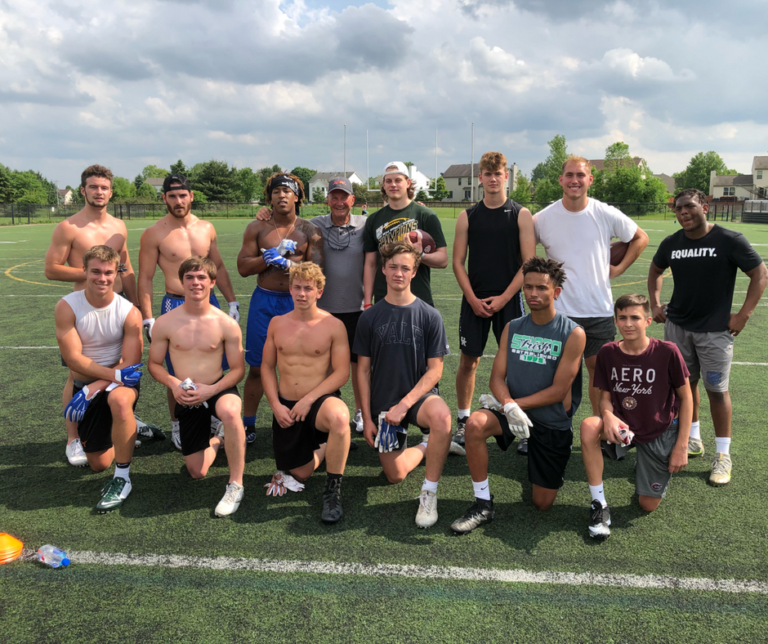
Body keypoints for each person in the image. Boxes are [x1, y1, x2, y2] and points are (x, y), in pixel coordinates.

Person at [450, 257, 585, 535]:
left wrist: (511, 404)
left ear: (556, 292)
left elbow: (560, 391)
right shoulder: (512, 327)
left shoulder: (573, 333)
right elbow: (497, 377)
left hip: (550, 421)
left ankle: (536, 457)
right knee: (474, 424)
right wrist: (509, 406)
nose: (533, 294)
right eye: (528, 288)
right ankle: (483, 503)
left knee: (542, 503)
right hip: (511, 411)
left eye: (541, 288)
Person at [648, 188, 767, 486]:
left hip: (715, 331)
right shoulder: (672, 242)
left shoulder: (729, 240)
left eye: (689, 206)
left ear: (705, 205)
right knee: (685, 387)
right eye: (678, 209)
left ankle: (723, 454)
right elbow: (655, 269)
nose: (684, 212)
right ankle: (693, 439)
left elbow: (760, 274)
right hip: (677, 327)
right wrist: (654, 302)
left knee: (717, 391)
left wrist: (743, 315)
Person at [44, 164, 157, 468]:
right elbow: (51, 268)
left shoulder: (119, 225)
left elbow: (127, 268)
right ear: (83, 190)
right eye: (93, 187)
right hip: (86, 304)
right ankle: (73, 438)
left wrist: (138, 308)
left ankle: (124, 417)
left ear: (111, 191)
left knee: (124, 363)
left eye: (104, 187)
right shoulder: (69, 227)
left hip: (118, 302)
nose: (99, 192)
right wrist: (93, 272)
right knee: (77, 373)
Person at [534, 155, 648, 416]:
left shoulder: (604, 212)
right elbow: (527, 256)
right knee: (560, 374)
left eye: (580, 175)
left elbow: (640, 238)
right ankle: (555, 430)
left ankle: (601, 427)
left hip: (598, 308)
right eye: (570, 175)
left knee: (599, 373)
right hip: (559, 312)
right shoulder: (542, 218)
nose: (575, 180)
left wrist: (618, 269)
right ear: (561, 179)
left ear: (590, 180)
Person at [255, 177, 367, 434]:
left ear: (352, 200)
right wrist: (265, 212)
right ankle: (319, 412)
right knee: (323, 363)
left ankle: (361, 412)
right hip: (324, 306)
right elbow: (288, 221)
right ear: (327, 200)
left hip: (357, 304)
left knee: (360, 365)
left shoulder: (366, 224)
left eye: (344, 197)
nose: (339, 202)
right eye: (334, 197)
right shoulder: (313, 224)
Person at [139, 174, 241, 450]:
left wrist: (231, 301)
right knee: (175, 369)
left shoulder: (206, 228)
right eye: (172, 196)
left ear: (191, 195)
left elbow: (217, 267)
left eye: (182, 195)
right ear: (164, 199)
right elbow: (145, 277)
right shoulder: (154, 233)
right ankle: (178, 422)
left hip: (210, 302)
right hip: (174, 302)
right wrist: (148, 317)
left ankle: (210, 415)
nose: (178, 201)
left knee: (215, 361)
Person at [354, 242, 452, 528]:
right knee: (394, 475)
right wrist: (367, 417)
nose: (399, 273)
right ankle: (427, 444)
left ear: (414, 271)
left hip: (417, 401)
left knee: (442, 417)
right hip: (384, 406)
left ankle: (429, 492)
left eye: (405, 268)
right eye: (393, 266)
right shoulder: (369, 317)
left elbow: (435, 372)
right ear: (383, 269)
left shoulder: (430, 315)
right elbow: (362, 371)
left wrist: (405, 404)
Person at [579, 294, 692, 539]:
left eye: (635, 317)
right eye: (622, 318)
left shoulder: (667, 352)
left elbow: (687, 398)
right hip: (623, 425)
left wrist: (682, 445)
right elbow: (605, 396)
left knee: (647, 504)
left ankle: (647, 465)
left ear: (648, 321)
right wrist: (607, 415)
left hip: (659, 428)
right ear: (615, 322)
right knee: (589, 426)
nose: (628, 323)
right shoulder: (608, 352)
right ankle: (599, 504)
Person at [148, 256, 247, 517]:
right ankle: (219, 439)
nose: (195, 282)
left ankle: (235, 484)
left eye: (202, 277)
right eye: (189, 277)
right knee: (197, 471)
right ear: (180, 282)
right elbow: (155, 365)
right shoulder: (165, 322)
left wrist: (212, 390)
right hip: (187, 393)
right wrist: (173, 383)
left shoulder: (226, 323)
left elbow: (238, 370)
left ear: (213, 282)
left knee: (230, 411)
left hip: (217, 387)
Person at [452, 151, 535, 455]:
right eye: (487, 174)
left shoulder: (520, 214)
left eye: (497, 173)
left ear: (506, 177)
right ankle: (463, 420)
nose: (492, 178)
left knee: (516, 365)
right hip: (474, 301)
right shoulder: (468, 216)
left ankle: (523, 421)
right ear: (480, 178)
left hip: (509, 301)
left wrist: (503, 298)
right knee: (468, 361)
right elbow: (458, 263)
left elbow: (528, 264)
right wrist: (473, 298)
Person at [236, 173, 324, 446]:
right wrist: (267, 258)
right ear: (270, 197)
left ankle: (308, 420)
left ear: (297, 196)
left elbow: (320, 272)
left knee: (300, 367)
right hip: (265, 300)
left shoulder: (310, 230)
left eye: (288, 191)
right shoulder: (257, 227)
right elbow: (242, 268)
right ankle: (247, 424)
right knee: (257, 367)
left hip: (296, 303)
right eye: (276, 191)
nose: (282, 195)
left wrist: (291, 267)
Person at [54, 245, 143, 513]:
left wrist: (96, 385)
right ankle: (128, 428)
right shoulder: (67, 306)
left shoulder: (129, 311)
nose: (101, 278)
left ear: (117, 273)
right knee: (98, 463)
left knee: (119, 400)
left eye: (108, 272)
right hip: (94, 381)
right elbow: (73, 360)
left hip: (117, 384)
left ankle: (123, 478)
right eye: (95, 271)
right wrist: (98, 381)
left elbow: (129, 367)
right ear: (84, 271)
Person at [261, 262, 351, 523]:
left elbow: (341, 373)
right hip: (287, 406)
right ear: (290, 290)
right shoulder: (277, 324)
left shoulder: (334, 325)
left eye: (308, 288)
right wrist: (276, 405)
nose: (302, 293)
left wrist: (309, 399)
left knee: (340, 418)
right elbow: (266, 367)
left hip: (319, 402)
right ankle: (328, 444)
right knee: (300, 473)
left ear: (319, 292)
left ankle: (333, 491)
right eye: (297, 288)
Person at [363, 161, 448, 308]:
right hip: (384, 299)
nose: (393, 184)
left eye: (398, 180)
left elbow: (443, 259)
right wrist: (368, 302)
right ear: (383, 185)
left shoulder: (426, 215)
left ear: (408, 182)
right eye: (388, 181)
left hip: (419, 298)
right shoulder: (374, 219)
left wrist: (420, 255)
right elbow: (370, 264)